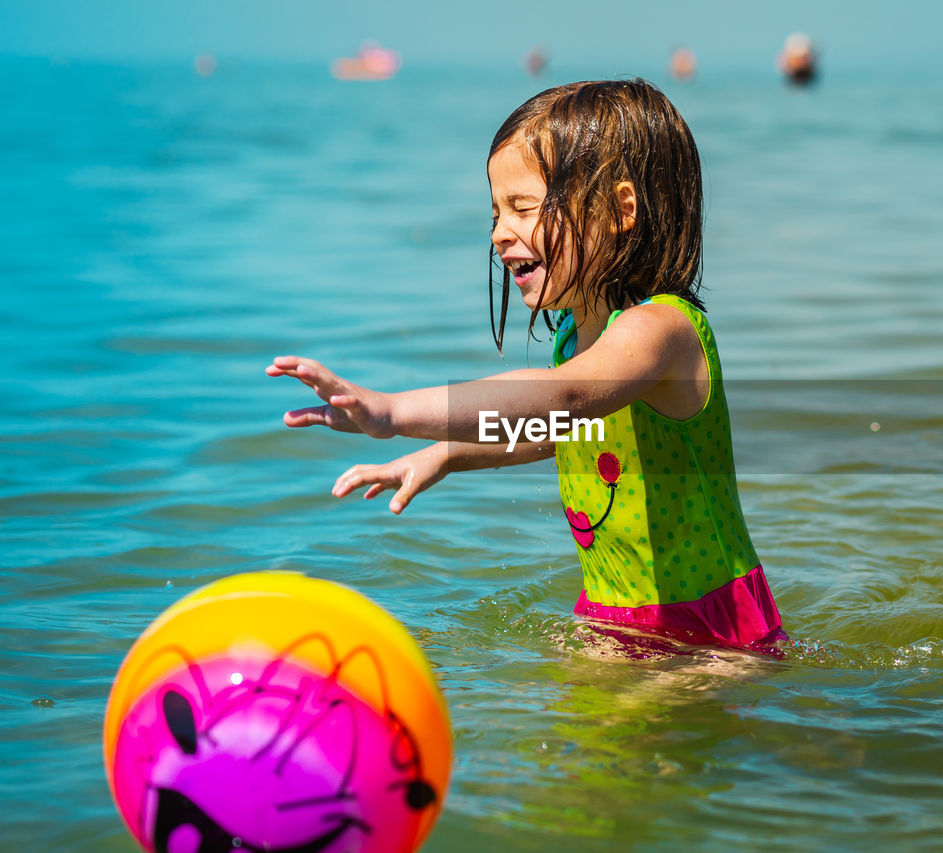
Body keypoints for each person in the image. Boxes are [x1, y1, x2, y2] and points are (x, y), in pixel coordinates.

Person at [268, 80, 785, 652]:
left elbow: (563, 400)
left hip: (715, 636)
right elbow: (556, 430)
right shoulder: (573, 336)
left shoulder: (660, 330)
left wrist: (393, 411)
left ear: (619, 211)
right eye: (494, 211)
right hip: (612, 618)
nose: (498, 233)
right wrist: (444, 453)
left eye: (521, 207)